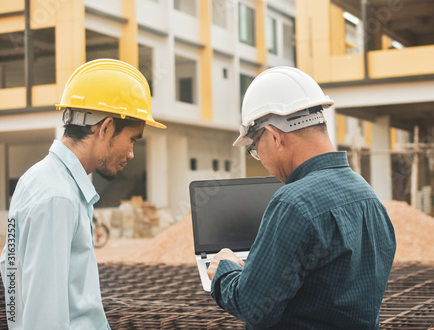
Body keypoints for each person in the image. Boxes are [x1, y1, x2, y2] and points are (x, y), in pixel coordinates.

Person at [207, 66, 396, 329]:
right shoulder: (368, 196)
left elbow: (254, 307)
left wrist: (225, 270)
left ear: (274, 137)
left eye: (255, 150)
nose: (261, 160)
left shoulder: (293, 203)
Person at [0, 59, 166, 329]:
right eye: (133, 139)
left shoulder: (39, 180)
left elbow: (10, 275)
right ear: (106, 127)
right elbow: (45, 321)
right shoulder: (57, 198)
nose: (131, 153)